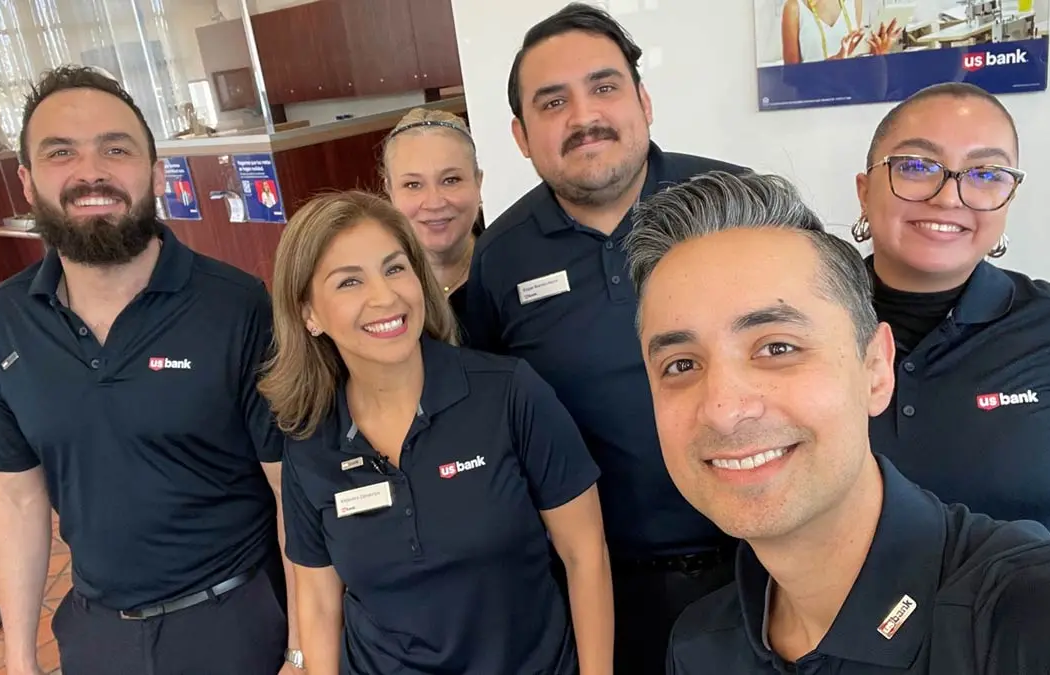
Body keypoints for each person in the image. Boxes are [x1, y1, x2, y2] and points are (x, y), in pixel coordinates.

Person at [621, 169, 1050, 674]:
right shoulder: (699, 645)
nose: (723, 407)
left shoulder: (1035, 614)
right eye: (681, 365)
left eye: (777, 347)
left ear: (876, 369)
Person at [0, 65, 299, 675]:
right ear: (27, 181)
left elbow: (289, 486)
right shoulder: (0, 324)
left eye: (115, 149)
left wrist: (302, 645)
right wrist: (19, 658)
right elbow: (15, 497)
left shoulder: (236, 305)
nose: (90, 172)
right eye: (60, 152)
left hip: (238, 621)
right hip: (97, 634)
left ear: (154, 172)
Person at [461, 4, 747, 671]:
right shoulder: (501, 260)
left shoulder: (737, 203)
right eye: (552, 101)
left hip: (760, 565)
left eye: (605, 87)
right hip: (601, 590)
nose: (584, 115)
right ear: (521, 135)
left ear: (644, 101)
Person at [258, 190, 612, 675]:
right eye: (349, 282)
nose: (384, 297)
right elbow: (319, 603)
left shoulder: (508, 394)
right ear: (309, 314)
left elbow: (585, 553)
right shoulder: (309, 443)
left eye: (395, 268)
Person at [850, 82, 1050, 558]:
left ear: (1009, 199)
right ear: (865, 192)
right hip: (846, 630)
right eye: (915, 166)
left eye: (986, 173)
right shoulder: (800, 331)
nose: (949, 197)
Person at [381, 107, 485, 334]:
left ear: (478, 182)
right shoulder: (376, 289)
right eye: (413, 185)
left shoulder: (516, 268)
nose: (434, 202)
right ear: (389, 191)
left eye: (450, 180)